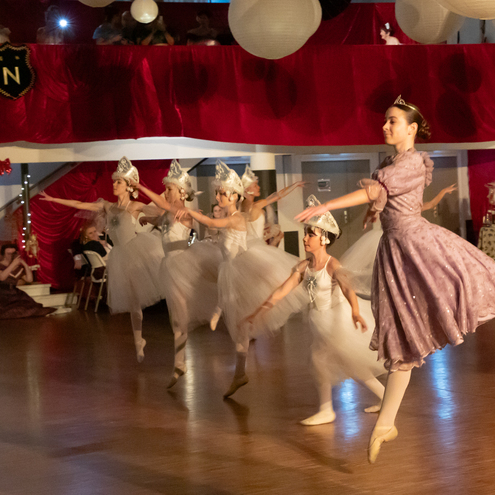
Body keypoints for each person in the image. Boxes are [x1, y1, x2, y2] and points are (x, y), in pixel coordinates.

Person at [296, 96, 495, 463]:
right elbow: (381, 199)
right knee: (402, 338)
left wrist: (327, 206)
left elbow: (376, 191)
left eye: (392, 121)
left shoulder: (412, 161)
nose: (385, 126)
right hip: (397, 255)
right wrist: (372, 214)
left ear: (411, 129)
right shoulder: (391, 163)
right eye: (385, 120)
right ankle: (386, 423)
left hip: (424, 246)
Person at [247, 195, 386, 425]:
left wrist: (354, 311)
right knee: (326, 362)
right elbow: (281, 291)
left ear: (323, 239)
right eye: (306, 233)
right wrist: (258, 312)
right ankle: (352, 404)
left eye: (310, 234)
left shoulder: (332, 265)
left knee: (331, 362)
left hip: (336, 320)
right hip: (319, 320)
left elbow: (348, 288)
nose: (305, 238)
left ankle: (330, 409)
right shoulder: (303, 267)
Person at [176, 161, 306, 399]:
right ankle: (239, 373)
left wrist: (190, 212)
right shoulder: (232, 214)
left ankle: (237, 366)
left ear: (234, 196)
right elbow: (215, 228)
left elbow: (214, 223)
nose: (218, 196)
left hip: (241, 272)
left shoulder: (237, 218)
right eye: (217, 193)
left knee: (241, 325)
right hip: (230, 271)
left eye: (222, 193)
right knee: (241, 328)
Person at [41, 157, 164, 362]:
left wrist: (148, 215)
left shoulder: (135, 206)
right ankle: (138, 340)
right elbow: (80, 204)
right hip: (119, 255)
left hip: (136, 250)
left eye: (119, 182)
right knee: (133, 302)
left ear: (128, 186)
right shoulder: (107, 206)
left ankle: (141, 337)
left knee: (139, 298)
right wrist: (54, 200)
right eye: (114, 181)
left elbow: (160, 212)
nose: (114, 185)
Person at [136, 160, 223, 387]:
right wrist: (149, 219)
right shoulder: (170, 211)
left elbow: (165, 208)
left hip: (182, 263)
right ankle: (179, 363)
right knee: (178, 319)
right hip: (170, 265)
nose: (165, 192)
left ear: (182, 192)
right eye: (166, 188)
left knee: (181, 316)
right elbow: (162, 217)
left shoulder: (183, 211)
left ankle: (219, 306)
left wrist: (141, 186)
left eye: (170, 188)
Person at [0, 244, 55, 320]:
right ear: (3, 254)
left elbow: (29, 280)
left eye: (13, 253)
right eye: (8, 254)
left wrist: (25, 265)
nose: (11, 256)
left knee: (26, 308)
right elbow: (1, 277)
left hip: (14, 293)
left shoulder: (18, 268)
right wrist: (12, 264)